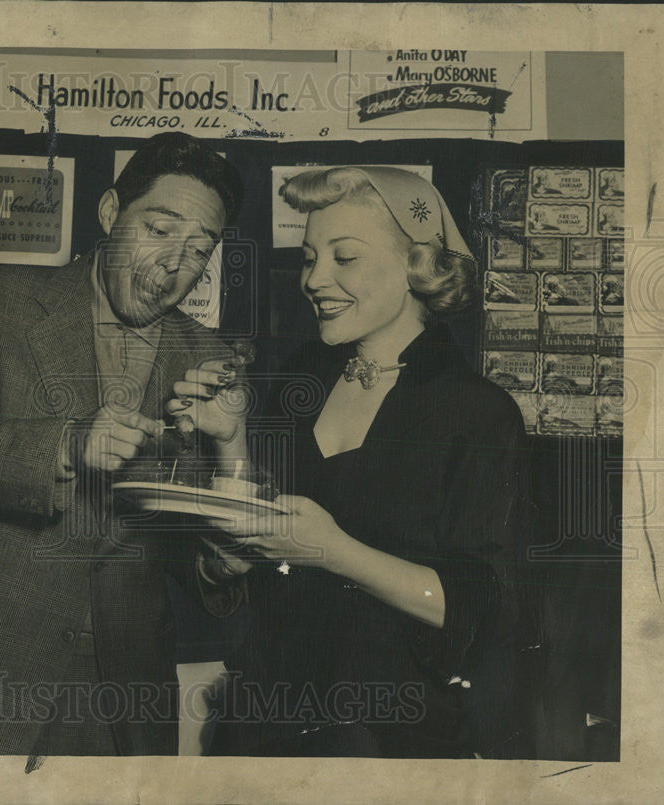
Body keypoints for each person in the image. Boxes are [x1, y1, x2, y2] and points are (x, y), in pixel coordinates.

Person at [0, 133, 246, 756]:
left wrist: (220, 555)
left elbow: (183, 539)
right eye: (158, 230)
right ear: (109, 213)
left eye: (198, 250)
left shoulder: (208, 358)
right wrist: (69, 445)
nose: (173, 265)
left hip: (122, 702)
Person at [179, 166, 531, 758]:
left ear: (418, 266)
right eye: (310, 257)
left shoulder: (478, 412)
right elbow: (256, 530)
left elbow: (487, 609)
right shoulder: (301, 375)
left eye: (345, 258)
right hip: (260, 719)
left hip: (388, 737)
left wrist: (335, 550)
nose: (314, 280)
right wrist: (230, 439)